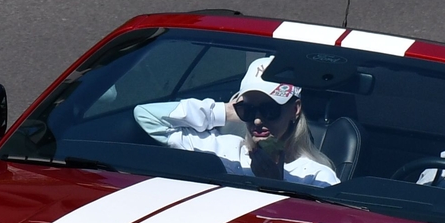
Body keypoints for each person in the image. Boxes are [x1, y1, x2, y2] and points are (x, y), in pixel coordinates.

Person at [133, 56, 339, 186]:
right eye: (248, 110)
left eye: (270, 110)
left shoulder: (316, 177)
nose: (257, 120)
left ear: (295, 110)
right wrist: (227, 111)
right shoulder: (223, 149)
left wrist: (277, 186)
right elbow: (147, 117)